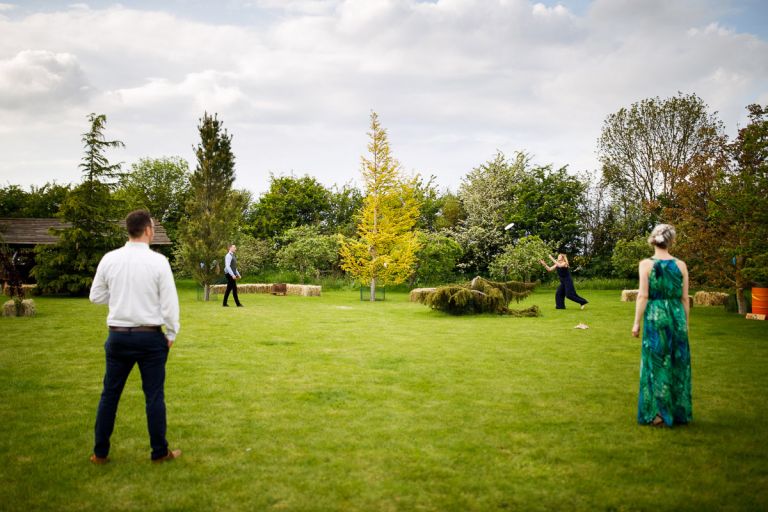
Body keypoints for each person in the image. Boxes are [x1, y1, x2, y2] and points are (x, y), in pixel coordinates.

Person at [88, 210, 181, 464]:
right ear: (148, 230)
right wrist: (172, 332)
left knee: (110, 394)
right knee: (153, 395)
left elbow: (95, 296)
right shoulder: (158, 262)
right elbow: (169, 303)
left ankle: (100, 453)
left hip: (117, 336)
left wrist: (120, 295)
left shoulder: (109, 259)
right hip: (150, 338)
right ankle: (159, 452)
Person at [632, 224, 692, 427]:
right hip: (676, 317)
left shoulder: (646, 265)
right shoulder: (681, 265)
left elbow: (643, 295)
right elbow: (685, 299)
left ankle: (658, 414)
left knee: (656, 362)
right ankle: (677, 412)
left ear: (652, 240)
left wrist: (636, 323)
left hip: (656, 317)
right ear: (671, 241)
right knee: (677, 362)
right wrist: (686, 324)